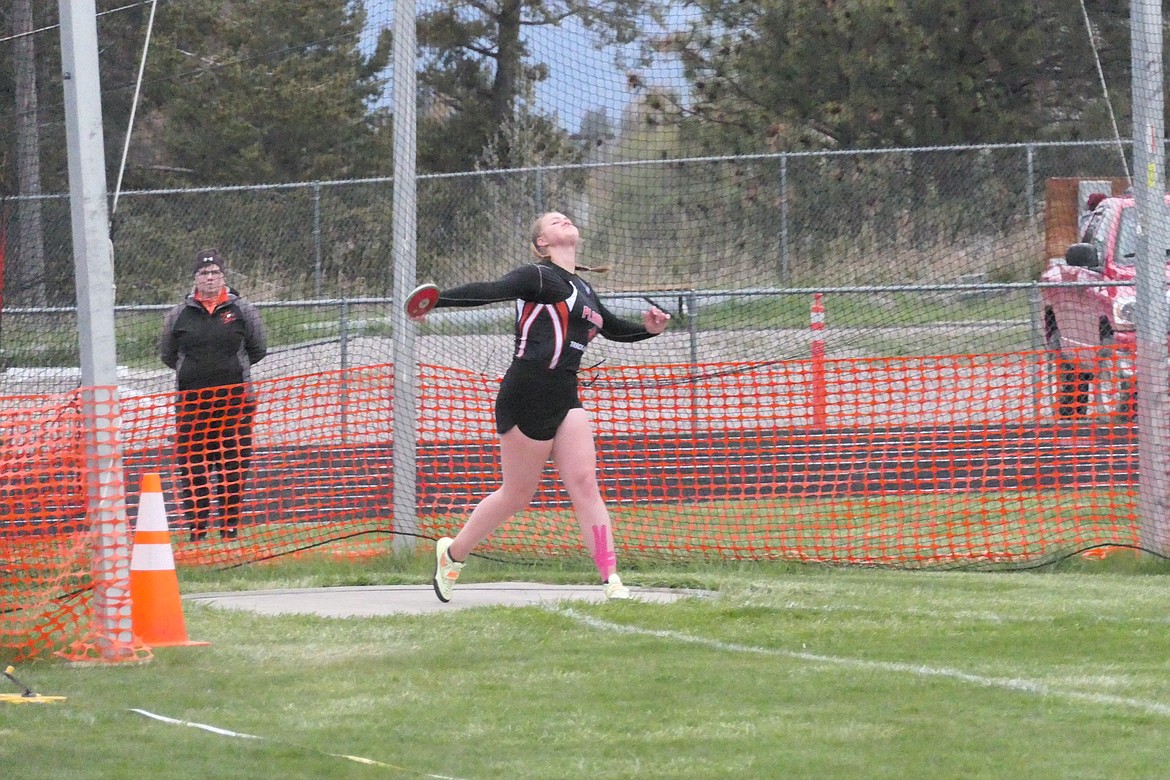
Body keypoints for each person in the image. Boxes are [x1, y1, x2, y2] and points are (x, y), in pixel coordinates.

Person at [412, 211, 670, 602]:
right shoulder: (539, 276)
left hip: (565, 396)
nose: (564, 220)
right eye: (554, 221)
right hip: (525, 393)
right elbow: (490, 290)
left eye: (566, 218)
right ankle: (452, 554)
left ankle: (611, 578)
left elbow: (614, 327)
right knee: (517, 495)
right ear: (542, 244)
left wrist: (647, 330)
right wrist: (436, 301)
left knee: (585, 485)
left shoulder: (583, 289)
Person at [159, 249, 268, 541]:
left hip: (236, 402)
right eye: (204, 274)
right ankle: (197, 529)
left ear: (223, 276)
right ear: (195, 278)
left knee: (232, 464)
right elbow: (168, 354)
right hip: (192, 404)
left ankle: (229, 527)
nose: (210, 278)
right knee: (194, 467)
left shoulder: (242, 309)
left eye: (215, 273)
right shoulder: (178, 313)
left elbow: (258, 349)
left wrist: (230, 369)